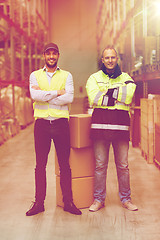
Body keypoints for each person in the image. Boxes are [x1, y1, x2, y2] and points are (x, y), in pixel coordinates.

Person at [26, 42, 82, 216]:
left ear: (58, 55)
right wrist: (58, 93)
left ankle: (68, 202)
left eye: (54, 54)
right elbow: (35, 96)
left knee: (65, 164)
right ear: (44, 56)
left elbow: (70, 97)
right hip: (42, 124)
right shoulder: (34, 75)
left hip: (61, 124)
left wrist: (45, 95)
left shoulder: (67, 75)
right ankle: (39, 203)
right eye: (48, 54)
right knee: (40, 165)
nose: (51, 57)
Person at [86, 46, 138, 212]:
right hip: (100, 127)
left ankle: (126, 199)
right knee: (100, 166)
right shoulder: (93, 78)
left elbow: (128, 96)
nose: (110, 60)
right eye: (107, 58)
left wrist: (105, 95)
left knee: (123, 166)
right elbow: (93, 97)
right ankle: (98, 199)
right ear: (102, 60)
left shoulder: (126, 77)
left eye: (112, 57)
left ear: (117, 59)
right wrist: (117, 95)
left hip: (120, 128)